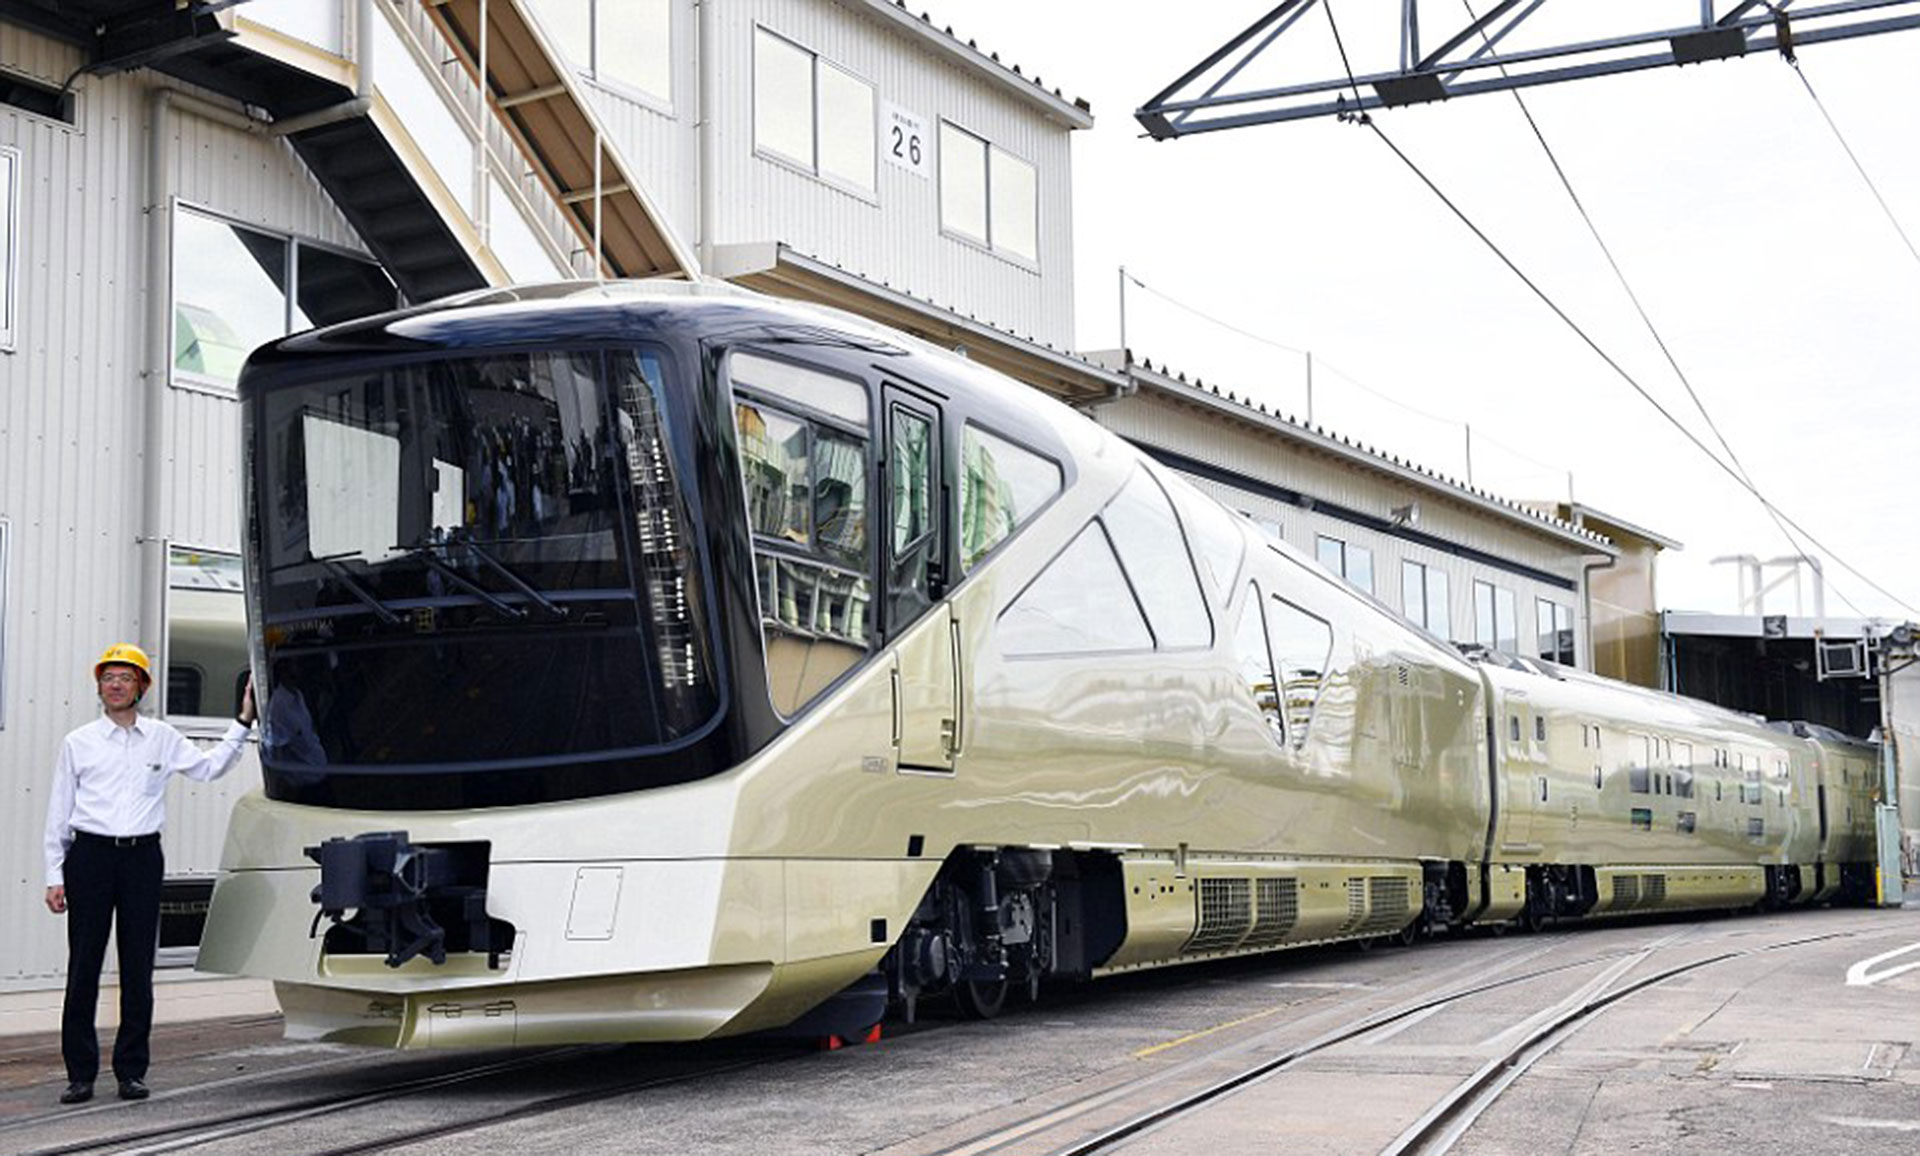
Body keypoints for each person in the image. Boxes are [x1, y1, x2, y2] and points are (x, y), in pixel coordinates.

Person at [42, 643, 256, 1105]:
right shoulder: (79, 742)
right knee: (84, 967)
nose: (115, 685)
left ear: (141, 686)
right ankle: (80, 1075)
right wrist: (54, 874)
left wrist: (242, 723)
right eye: (108, 678)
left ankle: (130, 1072)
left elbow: (210, 767)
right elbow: (59, 813)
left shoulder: (162, 737)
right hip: (90, 857)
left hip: (141, 858)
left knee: (138, 967)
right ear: (99, 686)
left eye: (125, 677)